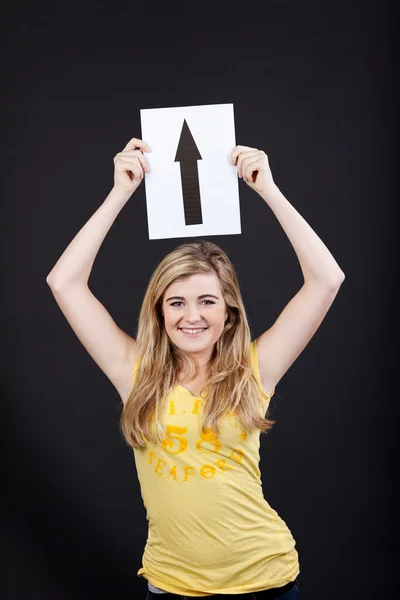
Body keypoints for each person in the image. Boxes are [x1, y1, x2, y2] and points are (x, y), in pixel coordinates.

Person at [46, 137, 345, 599]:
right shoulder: (135, 372)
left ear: (228, 313)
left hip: (264, 578)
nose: (192, 315)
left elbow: (327, 279)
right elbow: (64, 283)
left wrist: (269, 190)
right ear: (160, 312)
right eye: (177, 302)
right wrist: (120, 193)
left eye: (207, 301)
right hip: (172, 585)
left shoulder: (255, 370)